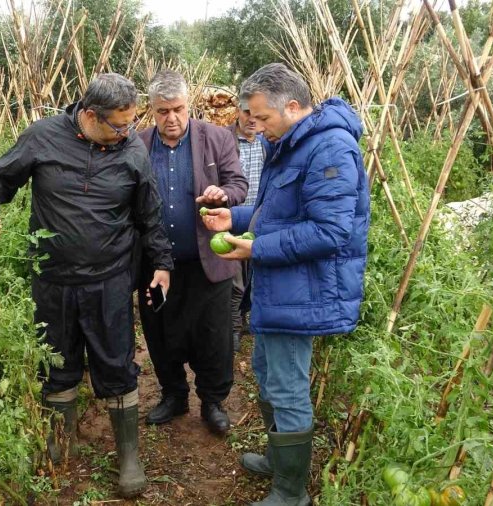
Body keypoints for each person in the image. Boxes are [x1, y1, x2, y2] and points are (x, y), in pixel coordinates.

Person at [0, 74, 172, 499]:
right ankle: (63, 440)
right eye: (118, 125)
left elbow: (149, 215)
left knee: (116, 362)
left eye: (131, 123)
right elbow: (3, 176)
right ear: (88, 115)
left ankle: (128, 456)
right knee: (56, 360)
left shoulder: (132, 150)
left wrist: (162, 265)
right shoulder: (43, 137)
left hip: (110, 279)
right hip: (53, 279)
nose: (126, 133)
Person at [203, 63, 370, 505]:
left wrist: (256, 249)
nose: (254, 128)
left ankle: (291, 493)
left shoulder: (329, 149)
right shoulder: (293, 144)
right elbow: (276, 210)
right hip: (282, 286)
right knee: (267, 374)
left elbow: (330, 232)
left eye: (262, 118)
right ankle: (281, 462)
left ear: (292, 107)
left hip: (305, 290)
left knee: (287, 387)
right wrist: (233, 218)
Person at [136, 69, 247, 436]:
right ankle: (173, 395)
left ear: (189, 105)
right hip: (156, 264)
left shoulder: (215, 139)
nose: (171, 118)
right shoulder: (138, 145)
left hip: (207, 261)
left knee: (212, 335)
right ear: (151, 110)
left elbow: (238, 184)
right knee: (161, 331)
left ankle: (212, 401)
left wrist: (222, 195)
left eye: (178, 109)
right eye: (163, 111)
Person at [227, 99, 266, 353]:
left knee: (254, 276)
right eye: (246, 112)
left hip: (260, 220)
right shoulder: (224, 140)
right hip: (231, 220)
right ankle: (232, 329)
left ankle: (245, 318)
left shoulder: (268, 142)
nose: (251, 119)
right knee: (235, 281)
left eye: (256, 114)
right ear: (237, 111)